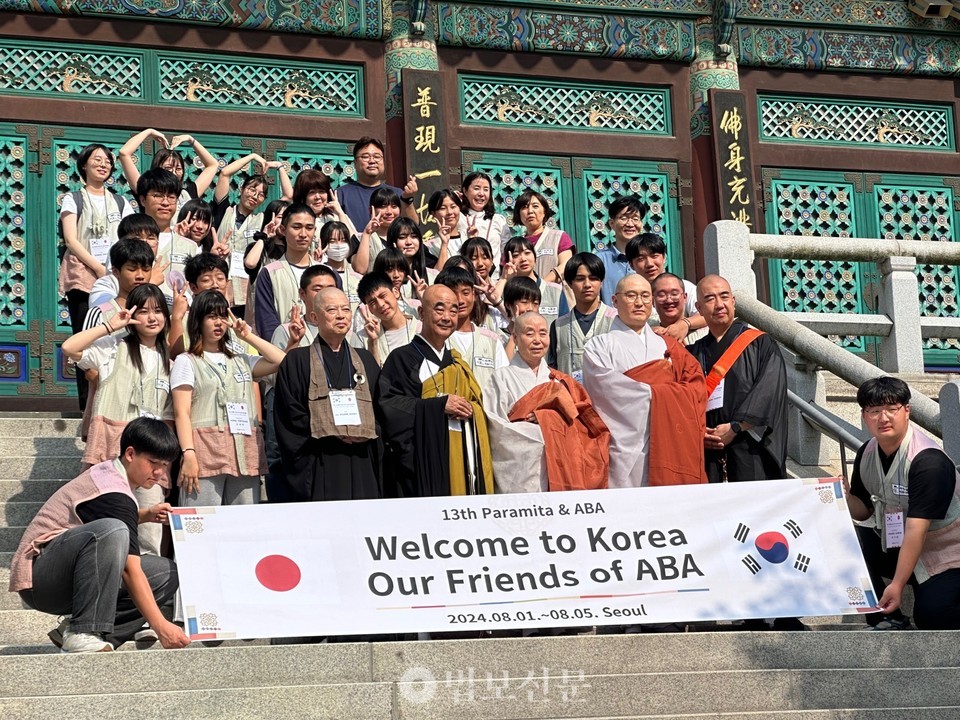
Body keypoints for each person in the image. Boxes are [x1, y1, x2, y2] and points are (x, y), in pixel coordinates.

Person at [9, 417, 190, 653]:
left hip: (63, 572)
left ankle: (82, 631)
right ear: (130, 454)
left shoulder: (111, 476)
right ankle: (83, 631)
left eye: (165, 465)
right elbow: (129, 569)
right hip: (40, 580)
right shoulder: (114, 493)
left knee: (165, 573)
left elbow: (100, 515)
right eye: (153, 462)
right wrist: (160, 626)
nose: (159, 472)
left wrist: (145, 514)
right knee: (113, 531)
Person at [845, 377, 960, 630]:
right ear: (864, 416)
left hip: (946, 554)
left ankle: (904, 599)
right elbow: (863, 511)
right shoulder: (867, 452)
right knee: (846, 541)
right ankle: (885, 617)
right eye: (874, 411)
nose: (883, 418)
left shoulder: (928, 461)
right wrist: (844, 496)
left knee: (934, 617)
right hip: (896, 543)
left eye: (891, 409)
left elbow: (917, 530)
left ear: (907, 410)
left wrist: (896, 585)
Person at [583, 274, 707, 487]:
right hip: (625, 446)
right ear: (614, 301)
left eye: (645, 296)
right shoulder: (599, 346)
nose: (639, 303)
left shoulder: (669, 346)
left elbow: (696, 387)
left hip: (669, 442)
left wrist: (660, 395)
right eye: (631, 296)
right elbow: (608, 393)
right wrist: (662, 394)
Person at [377, 284, 494, 498]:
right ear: (421, 313)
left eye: (454, 310)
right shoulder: (402, 358)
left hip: (461, 457)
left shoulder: (457, 362)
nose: (447, 317)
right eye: (439, 309)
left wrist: (471, 409)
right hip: (423, 463)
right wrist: (438, 406)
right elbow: (390, 407)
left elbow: (477, 404)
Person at [171, 290, 286, 506]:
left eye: (223, 316)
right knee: (201, 523)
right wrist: (189, 453)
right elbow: (181, 412)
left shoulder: (242, 359)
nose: (219, 323)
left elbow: (281, 360)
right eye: (212, 316)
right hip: (205, 452)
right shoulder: (186, 361)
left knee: (243, 525)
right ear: (198, 320)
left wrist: (247, 336)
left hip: (243, 451)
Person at [274, 287, 382, 502]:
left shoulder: (366, 360)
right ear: (314, 317)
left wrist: (363, 429)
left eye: (345, 309)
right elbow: (289, 415)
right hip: (320, 459)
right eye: (332, 310)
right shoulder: (297, 361)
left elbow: (381, 409)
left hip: (361, 457)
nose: (341, 315)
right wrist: (333, 429)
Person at [485, 312, 610, 494]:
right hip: (521, 472)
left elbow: (579, 427)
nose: (537, 340)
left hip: (560, 465)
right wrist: (546, 428)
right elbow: (496, 429)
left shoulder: (560, 381)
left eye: (543, 333)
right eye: (529, 334)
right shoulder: (500, 378)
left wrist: (546, 419)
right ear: (515, 338)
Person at [688, 275, 788, 483]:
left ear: (733, 301)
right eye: (710, 299)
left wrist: (736, 427)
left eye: (724, 296)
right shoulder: (693, 352)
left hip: (750, 445)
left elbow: (769, 390)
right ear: (699, 307)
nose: (719, 304)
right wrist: (698, 432)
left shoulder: (760, 343)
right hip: (707, 446)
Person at [59, 143, 135, 408]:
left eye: (107, 161)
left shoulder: (121, 201)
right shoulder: (73, 198)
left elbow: (130, 237)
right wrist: (99, 268)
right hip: (83, 276)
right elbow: (71, 239)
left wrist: (112, 270)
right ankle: (87, 404)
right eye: (97, 160)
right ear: (84, 165)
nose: (103, 164)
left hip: (116, 278)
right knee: (85, 337)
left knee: (117, 335)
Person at [213, 154, 292, 312]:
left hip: (247, 287)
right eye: (251, 189)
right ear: (242, 189)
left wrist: (280, 166)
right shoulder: (224, 211)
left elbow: (289, 196)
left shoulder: (263, 219)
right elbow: (225, 174)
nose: (255, 196)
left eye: (261, 194)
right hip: (220, 282)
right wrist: (253, 157)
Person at [435, 265, 508, 391]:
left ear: (474, 295)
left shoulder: (492, 341)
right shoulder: (435, 340)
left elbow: (505, 385)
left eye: (465, 293)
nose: (460, 300)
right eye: (453, 293)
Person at [254, 203, 318, 341]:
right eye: (296, 227)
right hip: (285, 351)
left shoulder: (326, 273)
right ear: (283, 229)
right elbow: (266, 322)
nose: (303, 234)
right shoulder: (269, 273)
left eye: (309, 228)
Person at [548, 252, 617, 381]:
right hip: (571, 398)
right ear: (569, 283)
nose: (587, 284)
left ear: (601, 282)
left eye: (593, 278)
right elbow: (552, 370)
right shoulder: (558, 326)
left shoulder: (616, 320)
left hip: (607, 398)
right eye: (580, 279)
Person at [626, 233, 705, 343]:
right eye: (641, 259)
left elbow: (707, 315)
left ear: (664, 258)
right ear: (631, 265)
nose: (649, 264)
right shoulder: (629, 296)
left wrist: (685, 324)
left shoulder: (685, 286)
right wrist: (648, 332)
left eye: (654, 256)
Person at [135, 169, 199, 301]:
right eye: (158, 195)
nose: (165, 202)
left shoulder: (190, 247)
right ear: (142, 200)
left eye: (171, 197)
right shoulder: (128, 241)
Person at [119, 129, 218, 213]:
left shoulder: (187, 194)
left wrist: (190, 139)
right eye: (168, 168)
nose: (174, 172)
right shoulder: (146, 188)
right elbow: (124, 153)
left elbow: (213, 165)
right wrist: (149, 132)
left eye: (178, 169)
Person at [336, 137, 418, 230]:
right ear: (355, 163)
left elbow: (413, 227)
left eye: (377, 157)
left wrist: (407, 199)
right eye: (365, 157)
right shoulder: (340, 195)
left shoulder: (397, 193)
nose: (372, 161)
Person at [497, 236, 564, 327]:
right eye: (516, 255)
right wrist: (504, 279)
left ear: (535, 257)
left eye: (527, 253)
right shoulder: (504, 290)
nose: (523, 259)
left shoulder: (556, 290)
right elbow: (493, 298)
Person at [511, 189, 573, 284]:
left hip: (555, 296)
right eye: (524, 207)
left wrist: (541, 285)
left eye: (535, 206)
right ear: (518, 214)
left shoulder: (559, 237)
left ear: (544, 211)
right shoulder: (515, 244)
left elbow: (566, 265)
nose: (530, 211)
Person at [357, 272, 419, 365]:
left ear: (396, 292)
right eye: (372, 302)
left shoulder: (422, 329)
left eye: (383, 296)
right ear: (368, 308)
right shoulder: (364, 338)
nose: (381, 304)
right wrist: (373, 342)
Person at [598, 196, 647, 304]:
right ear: (612, 224)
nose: (630, 224)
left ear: (641, 224)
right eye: (624, 218)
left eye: (635, 219)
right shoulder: (600, 260)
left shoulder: (649, 260)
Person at [461, 171, 510, 269]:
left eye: (486, 189)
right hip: (465, 278)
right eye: (476, 188)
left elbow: (507, 253)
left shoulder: (498, 220)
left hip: (494, 279)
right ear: (465, 191)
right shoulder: (458, 218)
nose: (481, 194)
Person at [652, 273, 707, 346]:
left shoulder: (704, 334)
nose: (669, 300)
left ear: (685, 297)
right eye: (661, 295)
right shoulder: (648, 335)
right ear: (653, 301)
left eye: (674, 294)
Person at [426, 188, 466, 259]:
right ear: (433, 214)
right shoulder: (429, 247)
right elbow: (437, 270)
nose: (450, 212)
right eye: (443, 208)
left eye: (453, 207)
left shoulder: (468, 237)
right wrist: (444, 244)